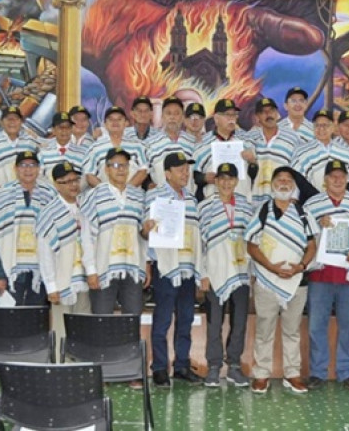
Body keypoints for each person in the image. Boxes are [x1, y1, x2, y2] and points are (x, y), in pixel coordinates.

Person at [245, 166, 319, 394]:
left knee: (292, 330)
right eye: (280, 179)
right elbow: (250, 244)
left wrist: (301, 266)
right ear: (272, 184)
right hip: (267, 279)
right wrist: (271, 267)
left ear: (294, 186)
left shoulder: (304, 213)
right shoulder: (263, 211)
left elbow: (312, 245)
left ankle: (292, 374)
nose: (285, 183)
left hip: (298, 281)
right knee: (264, 329)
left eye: (289, 180)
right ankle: (261, 375)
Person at [303, 160, 349, 391]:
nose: (337, 180)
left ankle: (346, 372)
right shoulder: (312, 205)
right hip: (320, 275)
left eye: (341, 176)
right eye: (332, 176)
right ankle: (317, 372)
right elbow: (305, 236)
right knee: (316, 326)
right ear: (324, 180)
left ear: (347, 178)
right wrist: (318, 226)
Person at [142, 152, 204, 387]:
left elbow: (197, 237)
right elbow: (144, 233)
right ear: (167, 173)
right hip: (166, 269)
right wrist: (146, 230)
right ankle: (158, 368)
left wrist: (201, 270)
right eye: (180, 169)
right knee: (163, 319)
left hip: (187, 269)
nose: (185, 173)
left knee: (186, 320)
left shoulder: (191, 199)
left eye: (187, 169)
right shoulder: (155, 197)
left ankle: (181, 366)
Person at [198, 163, 253, 388]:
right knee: (215, 322)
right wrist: (203, 274)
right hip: (214, 271)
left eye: (231, 179)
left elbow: (253, 240)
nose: (226, 183)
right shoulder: (204, 207)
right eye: (222, 179)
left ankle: (234, 366)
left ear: (236, 181)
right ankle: (213, 366)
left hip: (240, 271)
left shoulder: (246, 206)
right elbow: (199, 244)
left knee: (239, 321)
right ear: (216, 181)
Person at [81, 148, 148, 315]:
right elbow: (86, 237)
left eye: (125, 165)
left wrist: (146, 264)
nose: (121, 169)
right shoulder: (94, 195)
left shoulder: (139, 196)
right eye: (116, 165)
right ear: (106, 168)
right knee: (102, 320)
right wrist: (91, 270)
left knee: (132, 321)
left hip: (132, 267)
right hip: (103, 269)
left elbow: (142, 235)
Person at [37, 161, 92, 354]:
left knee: (83, 327)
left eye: (75, 180)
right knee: (62, 329)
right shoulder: (49, 213)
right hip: (62, 282)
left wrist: (91, 272)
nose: (73, 185)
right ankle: (62, 369)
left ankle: (82, 367)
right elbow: (45, 254)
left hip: (82, 278)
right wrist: (51, 286)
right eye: (67, 182)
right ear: (56, 185)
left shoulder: (83, 207)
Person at [0, 151, 54, 305]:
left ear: (38, 169)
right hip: (11, 270)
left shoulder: (50, 194)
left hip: (41, 271)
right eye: (23, 165)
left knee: (37, 320)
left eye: (32, 165)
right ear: (16, 169)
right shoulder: (3, 195)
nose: (28, 170)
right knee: (11, 320)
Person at [192, 99, 257, 201]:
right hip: (213, 203)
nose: (231, 119)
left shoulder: (248, 140)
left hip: (242, 202)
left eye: (234, 115)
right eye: (227, 115)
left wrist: (253, 162)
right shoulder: (202, 143)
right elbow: (194, 175)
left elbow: (255, 174)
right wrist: (204, 178)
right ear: (216, 118)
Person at [247, 97, 301, 205]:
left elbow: (298, 168)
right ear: (257, 117)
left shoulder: (292, 137)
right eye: (263, 112)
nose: (268, 115)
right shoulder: (249, 138)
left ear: (277, 113)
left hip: (283, 199)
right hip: (254, 201)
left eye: (271, 110)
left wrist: (294, 196)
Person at [83, 106, 149, 188]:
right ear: (105, 125)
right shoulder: (95, 148)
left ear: (126, 123)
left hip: (133, 196)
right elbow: (89, 175)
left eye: (119, 119)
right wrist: (106, 191)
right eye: (111, 119)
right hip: (105, 197)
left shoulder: (138, 146)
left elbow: (143, 170)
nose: (115, 122)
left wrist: (127, 190)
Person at [294, 110, 349, 192]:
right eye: (317, 125)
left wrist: (337, 197)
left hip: (340, 201)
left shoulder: (346, 153)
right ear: (313, 128)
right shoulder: (301, 152)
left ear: (332, 128)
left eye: (325, 125)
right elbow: (297, 181)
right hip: (311, 201)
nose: (321, 129)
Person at [144, 96, 197, 190]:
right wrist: (149, 185)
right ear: (162, 117)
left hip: (187, 200)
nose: (172, 117)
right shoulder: (150, 144)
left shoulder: (193, 142)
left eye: (176, 113)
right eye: (168, 113)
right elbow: (144, 174)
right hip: (161, 200)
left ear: (183, 117)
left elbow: (198, 175)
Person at [0, 106, 38, 187]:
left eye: (16, 119)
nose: (12, 122)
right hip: (2, 195)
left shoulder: (30, 142)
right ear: (1, 122)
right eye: (8, 119)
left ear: (21, 122)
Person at [38, 111, 88, 187]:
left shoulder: (82, 153)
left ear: (71, 129)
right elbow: (39, 177)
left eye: (68, 127)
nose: (64, 131)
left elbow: (86, 179)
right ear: (53, 130)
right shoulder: (44, 152)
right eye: (61, 127)